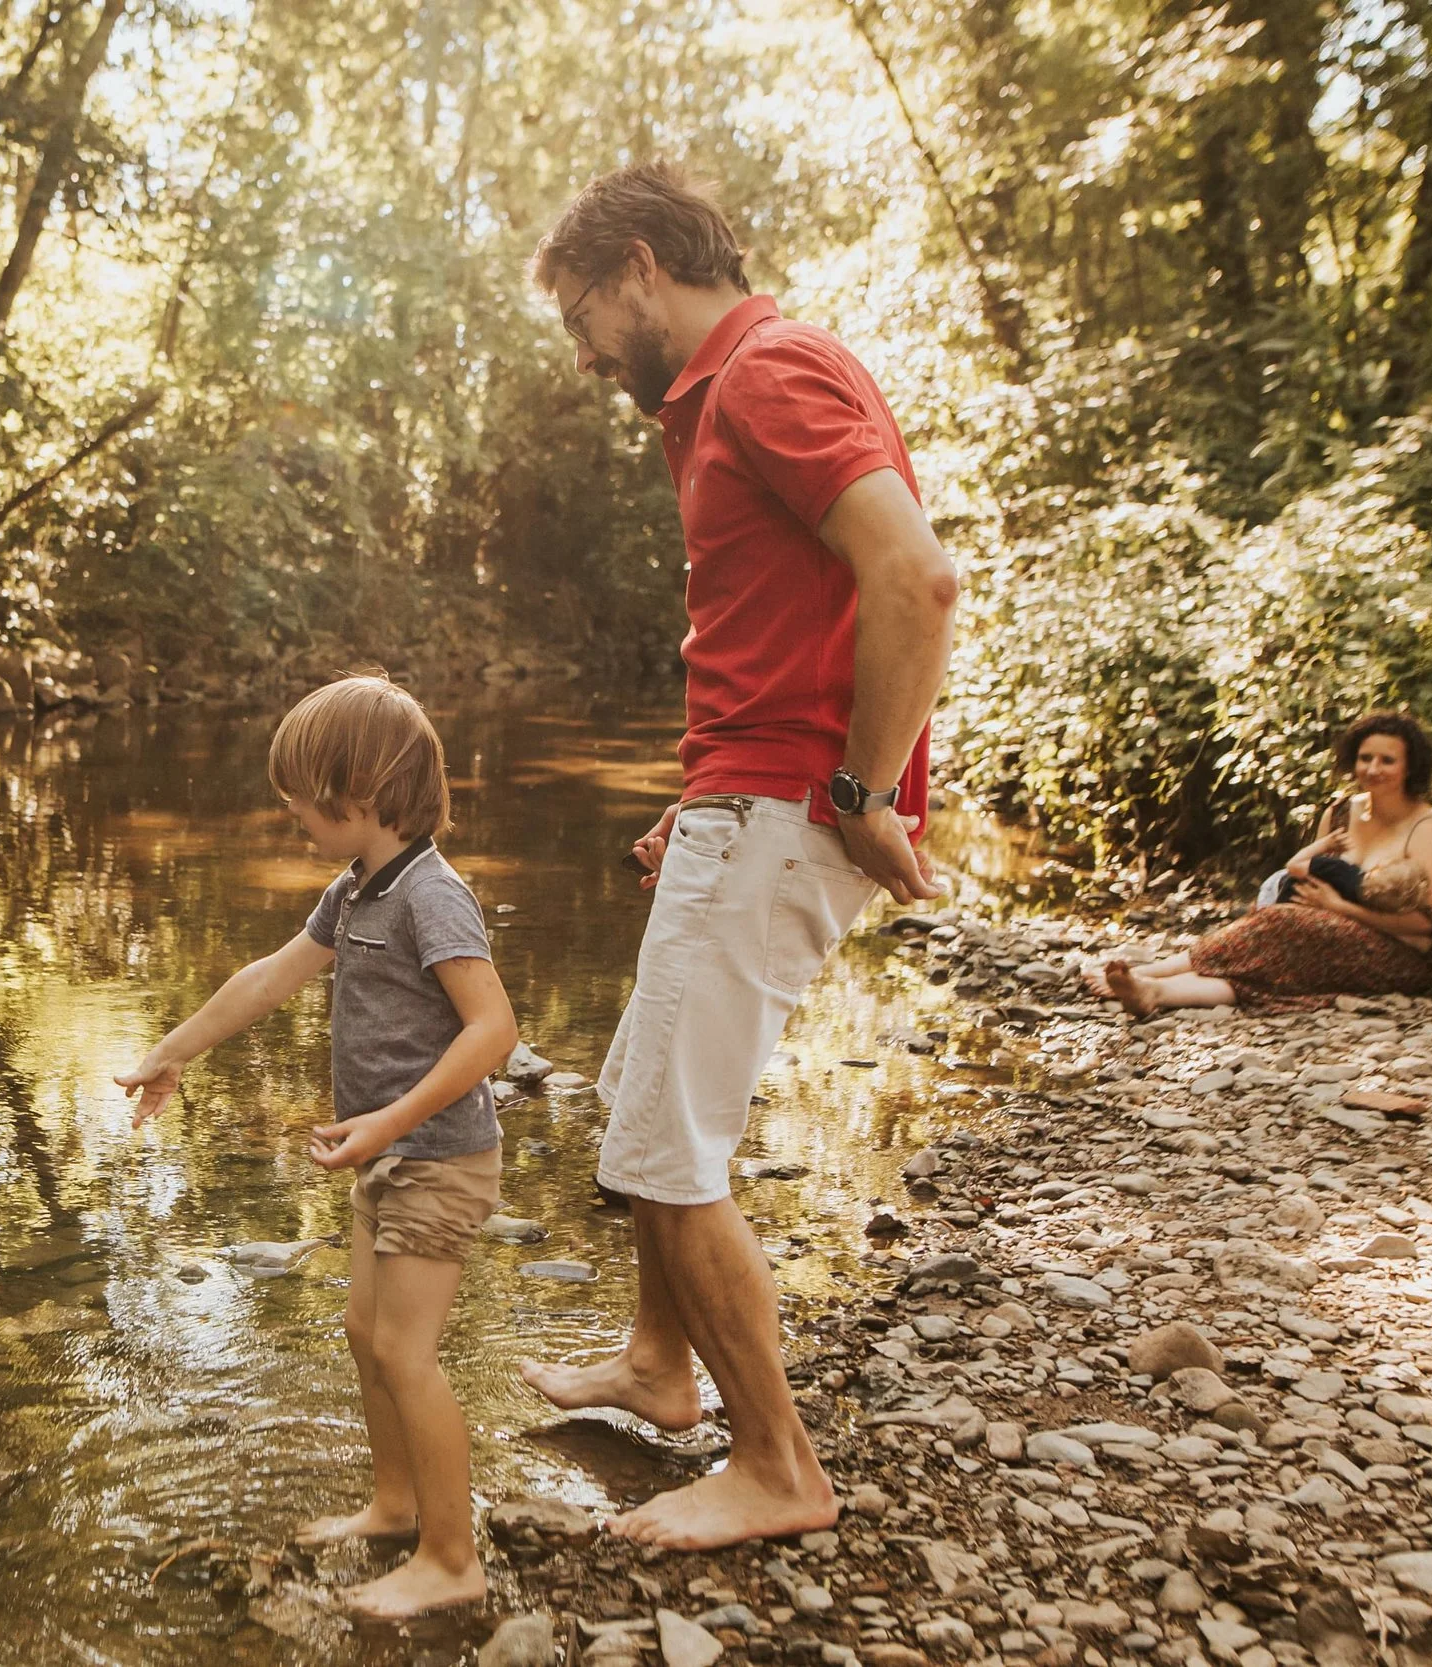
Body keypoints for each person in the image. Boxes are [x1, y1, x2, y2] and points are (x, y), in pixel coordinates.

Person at [517, 163, 961, 1550]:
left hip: (791, 806)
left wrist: (856, 787)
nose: (585, 350)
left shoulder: (770, 371)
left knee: (668, 1145)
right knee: (641, 1087)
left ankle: (777, 1463)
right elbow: (780, 632)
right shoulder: (712, 405)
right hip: (745, 798)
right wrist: (703, 794)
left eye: (584, 313)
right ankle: (663, 1365)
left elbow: (917, 577)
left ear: (639, 263)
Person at [114, 675, 518, 1618]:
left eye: (301, 797)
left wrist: (388, 1120)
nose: (292, 812)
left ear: (360, 795)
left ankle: (452, 1557)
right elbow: (270, 977)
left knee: (407, 1352)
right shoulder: (354, 890)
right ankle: (395, 1501)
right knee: (362, 1333)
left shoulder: (433, 896)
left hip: (439, 1157)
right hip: (387, 1154)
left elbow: (493, 1029)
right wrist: (171, 1051)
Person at [1095, 711, 1432, 1014]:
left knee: (1278, 927)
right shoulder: (1342, 812)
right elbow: (1305, 873)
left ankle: (1151, 973)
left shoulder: (1429, 829)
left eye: (1387, 760)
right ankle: (1152, 991)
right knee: (1266, 970)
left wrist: (1339, 908)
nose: (1373, 768)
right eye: (1366, 758)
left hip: (1401, 954)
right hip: (1324, 930)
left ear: (1410, 767)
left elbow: (1425, 924)